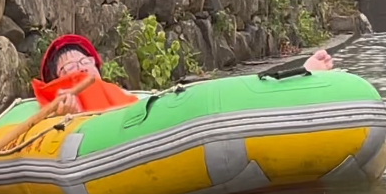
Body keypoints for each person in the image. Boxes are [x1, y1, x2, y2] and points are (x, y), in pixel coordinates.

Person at [33, 34, 335, 114]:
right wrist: (63, 114)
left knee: (205, 94)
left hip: (140, 116)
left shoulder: (120, 93)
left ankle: (297, 77)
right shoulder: (60, 104)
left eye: (86, 61)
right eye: (69, 68)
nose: (82, 68)